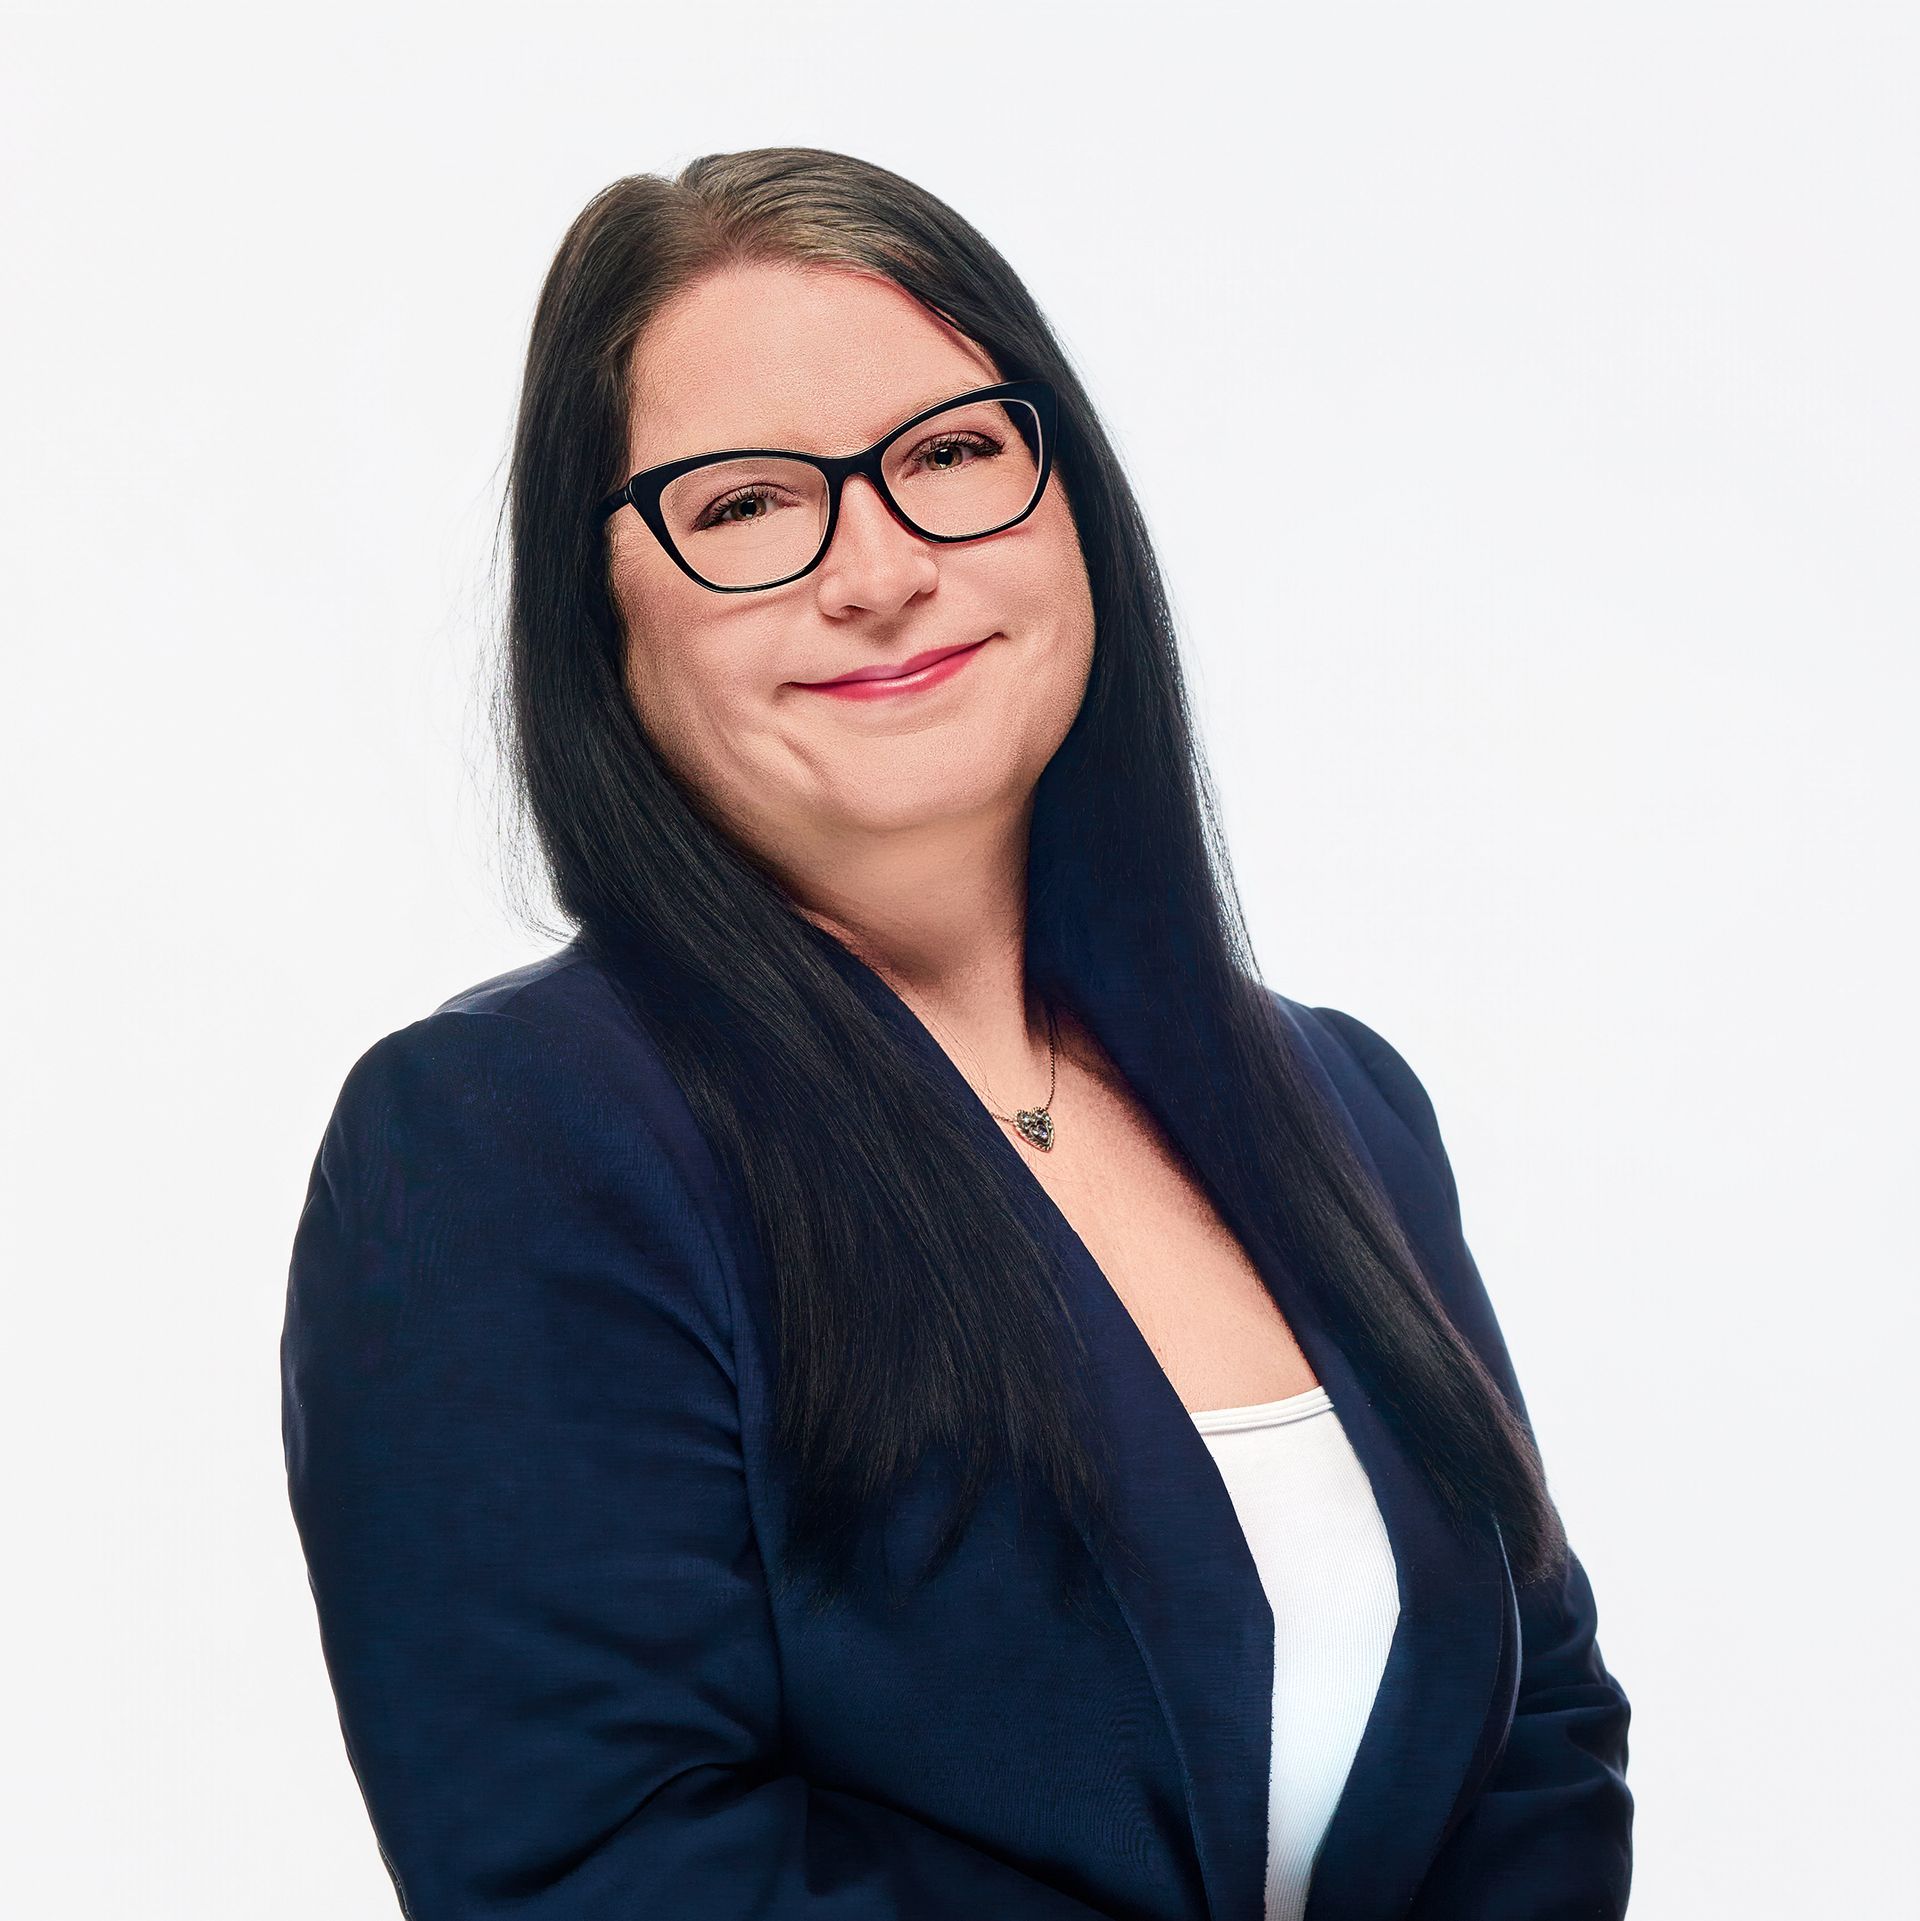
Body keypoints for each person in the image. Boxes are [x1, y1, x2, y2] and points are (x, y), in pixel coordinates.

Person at [280, 147, 1632, 1921]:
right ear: (596, 611)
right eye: (750, 502)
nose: (879, 568)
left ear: (1072, 506)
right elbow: (608, 1866)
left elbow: (1533, 1735)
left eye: (950, 455)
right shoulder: (504, 1141)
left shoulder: (1338, 1100)